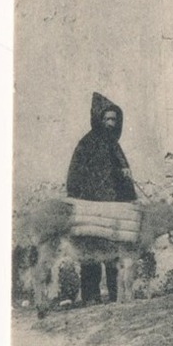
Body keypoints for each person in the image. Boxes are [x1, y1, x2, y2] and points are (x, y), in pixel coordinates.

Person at [66, 92, 137, 303]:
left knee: (114, 252)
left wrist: (126, 180)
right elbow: (75, 175)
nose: (110, 123)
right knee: (91, 253)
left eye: (114, 119)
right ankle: (91, 297)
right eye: (107, 119)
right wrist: (79, 204)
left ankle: (116, 295)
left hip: (113, 210)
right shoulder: (86, 144)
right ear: (98, 119)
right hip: (92, 210)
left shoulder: (115, 147)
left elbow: (123, 177)